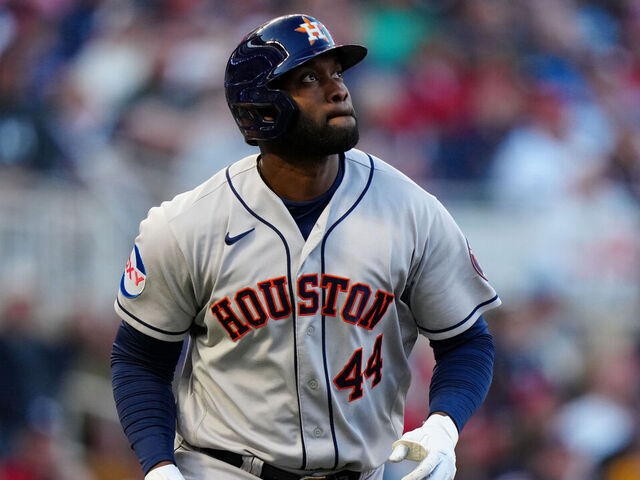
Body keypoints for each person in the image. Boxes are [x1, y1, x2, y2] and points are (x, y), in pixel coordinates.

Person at [110, 13, 501, 480]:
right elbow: (139, 358)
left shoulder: (411, 210)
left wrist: (443, 424)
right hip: (224, 470)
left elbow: (466, 342)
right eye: (309, 79)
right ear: (260, 107)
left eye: (337, 73)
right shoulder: (187, 224)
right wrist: (158, 466)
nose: (338, 89)